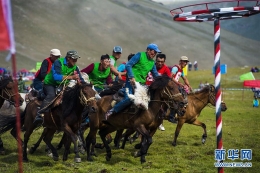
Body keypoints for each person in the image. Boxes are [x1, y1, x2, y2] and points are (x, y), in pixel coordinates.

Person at [104, 43, 161, 119]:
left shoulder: (152, 63)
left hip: (141, 84)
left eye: (155, 53)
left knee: (148, 100)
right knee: (129, 99)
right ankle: (111, 111)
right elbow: (128, 65)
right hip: (131, 81)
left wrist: (163, 81)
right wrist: (131, 77)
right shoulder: (140, 55)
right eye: (153, 52)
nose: (154, 54)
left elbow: (155, 75)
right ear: (148, 50)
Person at [33, 50, 84, 127]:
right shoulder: (58, 63)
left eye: (76, 59)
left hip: (62, 85)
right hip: (50, 84)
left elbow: (80, 78)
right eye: (74, 59)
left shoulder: (75, 67)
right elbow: (56, 77)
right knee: (51, 95)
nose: (75, 61)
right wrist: (71, 77)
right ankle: (39, 114)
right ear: (68, 58)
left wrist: (83, 85)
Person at [145, 53, 171, 131]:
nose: (160, 63)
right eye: (158, 61)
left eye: (162, 62)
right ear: (156, 60)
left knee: (163, 104)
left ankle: (160, 121)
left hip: (157, 91)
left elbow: (168, 81)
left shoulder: (166, 69)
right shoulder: (151, 65)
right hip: (146, 87)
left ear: (164, 61)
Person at [169, 56, 192, 123]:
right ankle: (171, 116)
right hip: (171, 86)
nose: (185, 63)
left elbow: (185, 78)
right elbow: (171, 77)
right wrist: (178, 84)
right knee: (178, 98)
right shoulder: (175, 68)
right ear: (180, 61)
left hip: (175, 86)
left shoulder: (181, 70)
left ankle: (179, 112)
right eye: (184, 61)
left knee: (184, 94)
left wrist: (189, 85)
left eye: (186, 62)